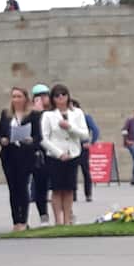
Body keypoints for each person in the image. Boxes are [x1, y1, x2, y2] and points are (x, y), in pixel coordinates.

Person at [40, 84, 89, 226]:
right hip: (55, 156)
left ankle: (68, 219)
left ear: (68, 96)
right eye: (57, 95)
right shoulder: (48, 115)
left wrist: (70, 127)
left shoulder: (77, 113)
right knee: (57, 189)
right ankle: (58, 220)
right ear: (53, 98)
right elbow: (44, 138)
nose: (61, 97)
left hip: (73, 154)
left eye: (63, 94)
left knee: (69, 188)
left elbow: (85, 134)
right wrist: (59, 153)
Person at [0, 87, 37, 231]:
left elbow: (38, 135)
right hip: (9, 155)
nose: (16, 99)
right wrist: (2, 140)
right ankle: (16, 221)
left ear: (25, 98)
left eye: (19, 96)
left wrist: (31, 140)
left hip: (25, 155)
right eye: (14, 96)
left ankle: (23, 220)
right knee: (13, 189)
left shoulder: (33, 115)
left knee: (23, 187)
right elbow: (0, 133)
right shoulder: (6, 114)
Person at [28, 84, 52, 225]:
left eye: (45, 96)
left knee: (60, 186)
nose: (43, 99)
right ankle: (43, 215)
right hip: (39, 155)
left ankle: (66, 215)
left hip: (54, 153)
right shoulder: (32, 115)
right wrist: (37, 114)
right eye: (39, 97)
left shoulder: (53, 112)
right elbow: (36, 133)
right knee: (40, 186)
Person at [72, 100, 100, 202]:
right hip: (72, 146)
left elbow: (95, 130)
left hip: (82, 146)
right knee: (72, 172)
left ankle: (88, 194)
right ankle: (73, 194)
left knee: (85, 171)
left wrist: (91, 142)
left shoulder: (85, 117)